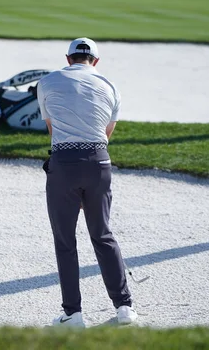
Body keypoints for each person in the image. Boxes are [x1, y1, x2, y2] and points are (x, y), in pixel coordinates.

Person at [37, 38, 137, 328]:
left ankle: (73, 314)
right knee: (103, 235)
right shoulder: (110, 86)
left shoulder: (46, 82)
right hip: (99, 163)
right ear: (95, 61)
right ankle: (125, 308)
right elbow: (107, 134)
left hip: (64, 165)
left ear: (68, 59)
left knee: (65, 241)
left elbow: (52, 129)